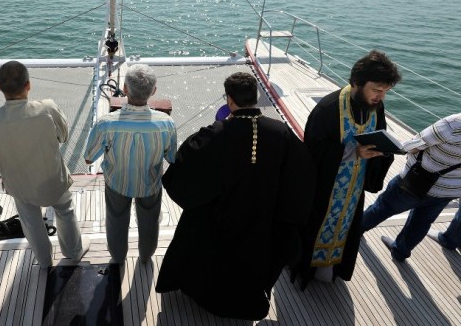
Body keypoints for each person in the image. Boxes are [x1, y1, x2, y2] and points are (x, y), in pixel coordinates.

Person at [154, 72, 316, 320]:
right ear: (255, 98)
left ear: (229, 100)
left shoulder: (215, 133)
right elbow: (302, 175)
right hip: (262, 219)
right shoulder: (280, 132)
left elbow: (183, 170)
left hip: (218, 218)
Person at [290, 50, 401, 289]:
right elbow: (313, 151)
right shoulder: (328, 108)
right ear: (357, 83)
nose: (381, 96)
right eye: (376, 89)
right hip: (324, 190)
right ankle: (307, 268)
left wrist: (383, 150)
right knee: (315, 228)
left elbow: (379, 133)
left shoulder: (375, 106)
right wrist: (353, 152)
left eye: (385, 91)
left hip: (353, 190)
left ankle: (334, 266)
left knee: (345, 229)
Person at [0, 61, 89, 268]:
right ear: (28, 85)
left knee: (31, 222)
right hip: (52, 180)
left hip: (18, 184)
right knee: (65, 211)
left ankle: (44, 261)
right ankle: (73, 252)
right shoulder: (47, 108)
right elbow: (63, 136)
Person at [84, 64, 177, 264]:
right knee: (150, 221)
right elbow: (171, 157)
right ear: (153, 91)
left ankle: (118, 257)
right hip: (150, 184)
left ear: (125, 89)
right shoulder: (166, 123)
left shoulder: (106, 123)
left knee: (116, 219)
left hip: (117, 183)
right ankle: (146, 256)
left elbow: (89, 158)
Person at [362, 113, 461, 261]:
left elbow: (413, 145)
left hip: (414, 181)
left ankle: (355, 232)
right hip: (449, 191)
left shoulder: (453, 124)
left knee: (383, 207)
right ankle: (400, 252)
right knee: (421, 223)